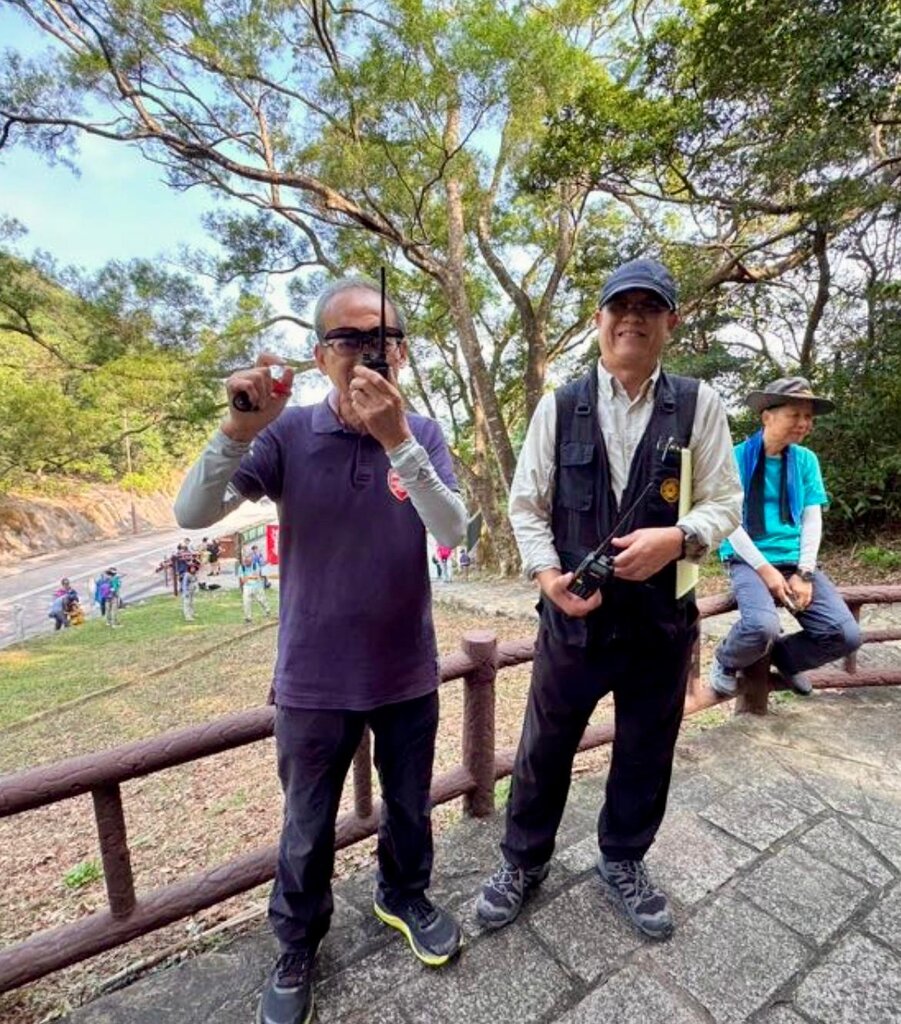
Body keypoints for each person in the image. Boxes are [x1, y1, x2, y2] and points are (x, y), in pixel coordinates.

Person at [174, 275, 468, 1024]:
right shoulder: (288, 434)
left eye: (384, 339)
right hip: (312, 675)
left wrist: (396, 439)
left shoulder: (422, 432)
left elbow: (451, 530)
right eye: (349, 338)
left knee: (410, 806)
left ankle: (404, 895)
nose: (369, 352)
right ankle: (298, 940)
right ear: (319, 355)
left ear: (403, 352)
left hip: (406, 666)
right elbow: (193, 513)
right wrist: (239, 428)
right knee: (306, 826)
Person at [476, 258, 743, 940]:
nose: (632, 318)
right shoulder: (559, 405)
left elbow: (725, 502)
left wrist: (678, 538)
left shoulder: (699, 405)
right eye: (619, 306)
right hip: (573, 620)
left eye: (648, 307)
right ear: (598, 319)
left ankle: (623, 858)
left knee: (647, 747)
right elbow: (526, 505)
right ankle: (522, 860)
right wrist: (547, 579)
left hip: (660, 620)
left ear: (670, 322)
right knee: (544, 747)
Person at [709, 377, 861, 698]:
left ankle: (785, 658)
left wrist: (804, 573)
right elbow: (730, 523)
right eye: (795, 415)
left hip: (794, 558)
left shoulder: (806, 461)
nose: (804, 423)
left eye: (808, 417)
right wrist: (766, 571)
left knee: (845, 634)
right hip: (746, 557)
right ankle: (725, 659)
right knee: (761, 626)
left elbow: (811, 519)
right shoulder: (734, 459)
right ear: (767, 416)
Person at [236, 550, 271, 622]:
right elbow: (243, 580)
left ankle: (267, 610)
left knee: (261, 600)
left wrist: (248, 577)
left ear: (251, 559)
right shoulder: (241, 567)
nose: (246, 561)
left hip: (257, 585)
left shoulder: (255, 565)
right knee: (246, 602)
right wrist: (250, 577)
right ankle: (248, 617)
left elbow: (257, 576)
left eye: (248, 558)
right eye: (245, 559)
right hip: (247, 586)